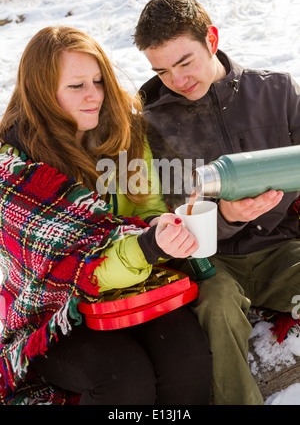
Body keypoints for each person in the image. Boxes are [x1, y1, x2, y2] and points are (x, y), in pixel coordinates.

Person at [0, 26, 213, 405]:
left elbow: (145, 207)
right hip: (51, 312)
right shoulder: (16, 170)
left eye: (98, 80)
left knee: (188, 358)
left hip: (132, 290)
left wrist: (159, 229)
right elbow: (79, 264)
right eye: (77, 85)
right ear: (42, 94)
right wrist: (147, 245)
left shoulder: (122, 131)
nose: (95, 95)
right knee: (124, 377)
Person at [133, 0, 300, 405]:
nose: (177, 80)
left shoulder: (276, 92)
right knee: (219, 308)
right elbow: (166, 213)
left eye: (185, 62)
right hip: (210, 262)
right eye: (162, 71)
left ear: (211, 38)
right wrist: (225, 215)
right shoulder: (150, 126)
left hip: (282, 249)